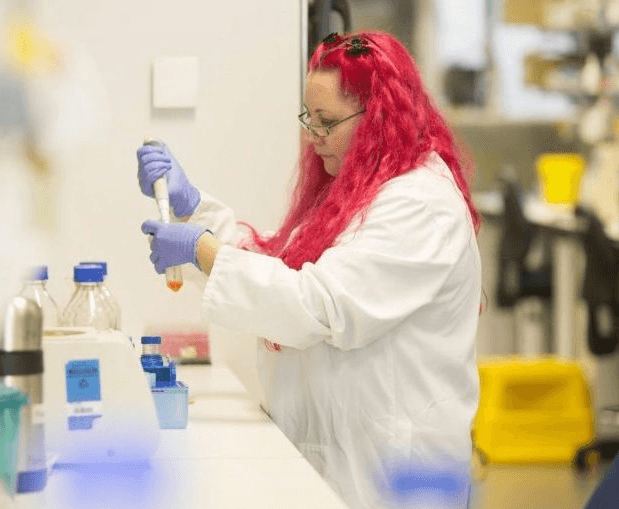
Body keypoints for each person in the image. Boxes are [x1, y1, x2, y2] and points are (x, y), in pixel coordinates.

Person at [137, 31, 481, 508]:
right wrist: (195, 211)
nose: (313, 136)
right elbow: (283, 270)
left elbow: (318, 306)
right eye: (309, 119)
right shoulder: (354, 188)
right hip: (336, 459)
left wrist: (202, 251)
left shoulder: (420, 203)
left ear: (379, 117)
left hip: (389, 474)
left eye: (328, 122)